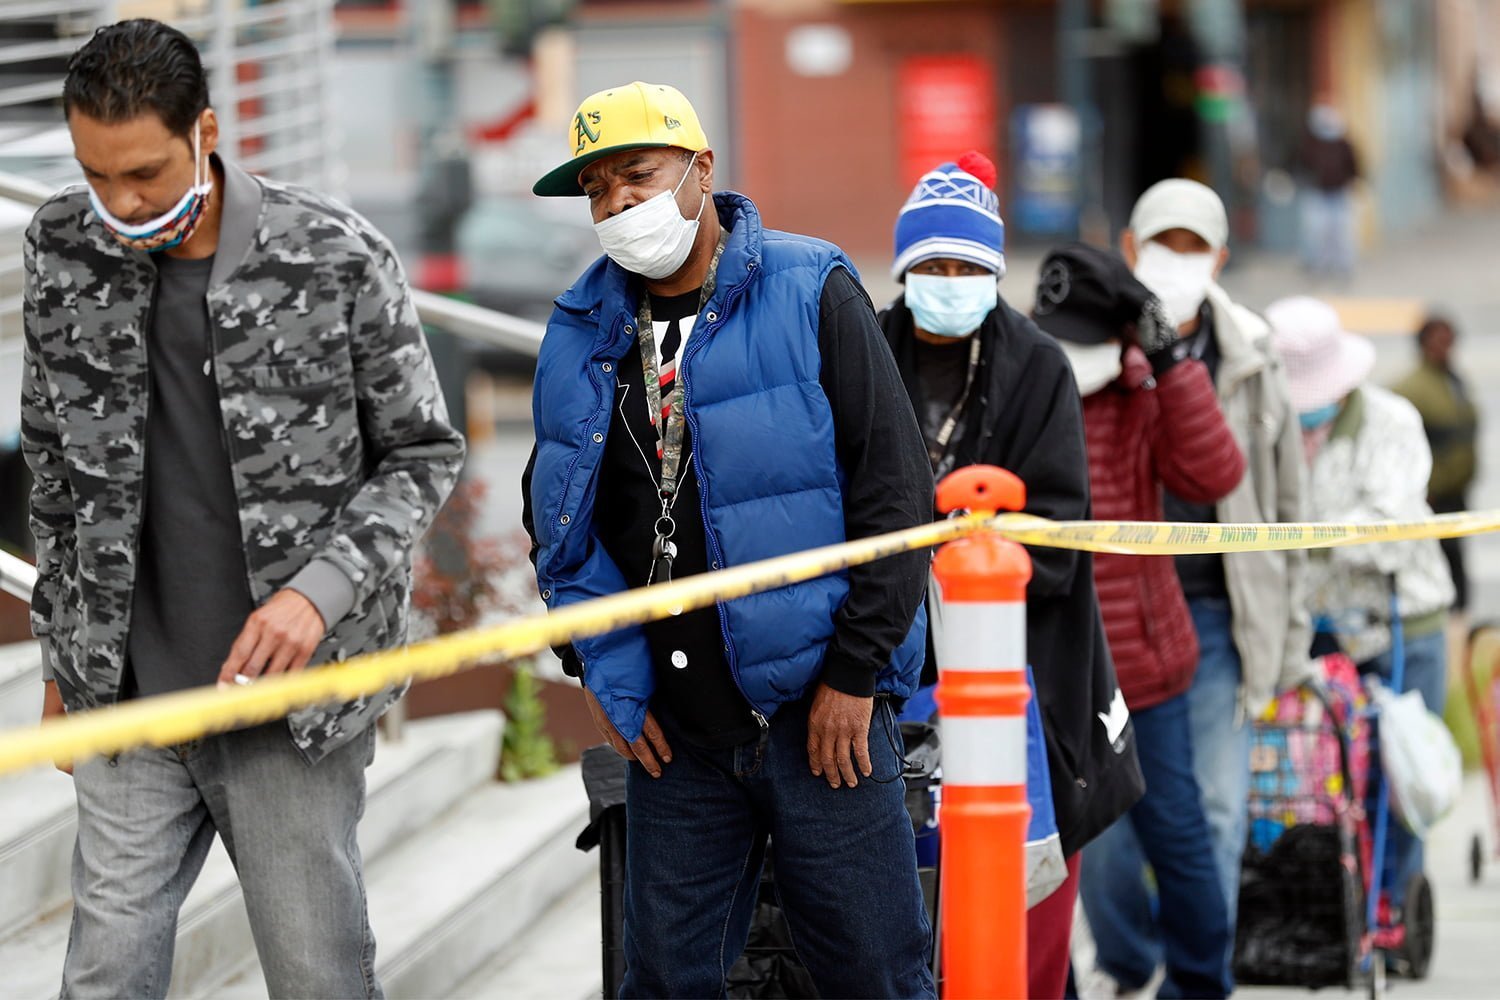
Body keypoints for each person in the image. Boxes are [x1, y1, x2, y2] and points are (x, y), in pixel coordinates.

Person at [20, 20, 465, 999]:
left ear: (206, 131)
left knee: (316, 977)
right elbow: (52, 469)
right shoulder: (59, 246)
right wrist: (63, 659)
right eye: (96, 177)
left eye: (144, 173)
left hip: (290, 709)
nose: (120, 203)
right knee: (102, 977)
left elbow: (423, 453)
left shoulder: (337, 254)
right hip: (129, 697)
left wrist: (317, 592)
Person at [521, 82, 935, 998]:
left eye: (639, 175)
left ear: (701, 170)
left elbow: (898, 497)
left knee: (875, 974)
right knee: (666, 980)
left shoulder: (810, 286)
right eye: (597, 190)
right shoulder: (580, 328)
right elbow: (555, 520)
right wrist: (598, 668)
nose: (619, 204)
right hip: (678, 738)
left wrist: (853, 676)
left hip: (823, 718)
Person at [877, 152, 1143, 1000]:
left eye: (968, 268)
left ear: (995, 274)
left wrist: (967, 549)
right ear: (905, 270)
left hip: (1028, 667)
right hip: (889, 662)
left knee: (1025, 902)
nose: (950, 284)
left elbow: (1060, 531)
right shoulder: (864, 350)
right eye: (933, 267)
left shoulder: (1037, 366)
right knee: (907, 896)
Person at [1082, 178, 1311, 987]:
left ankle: (1194, 976)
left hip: (1215, 610)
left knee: (1213, 808)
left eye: (1194, 247)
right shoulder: (1091, 342)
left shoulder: (1250, 350)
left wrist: (1290, 632)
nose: (1177, 261)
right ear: (1130, 249)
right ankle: (1126, 958)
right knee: (1106, 819)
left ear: (1219, 257)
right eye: (1162, 244)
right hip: (1113, 616)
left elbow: (1287, 503)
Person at [1032, 244, 1244, 999]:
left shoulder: (1143, 387)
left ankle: (1199, 982)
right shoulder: (1025, 376)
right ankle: (1108, 972)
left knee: (1175, 828)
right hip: (1049, 658)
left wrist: (1172, 363)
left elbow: (1215, 472)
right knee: (1067, 842)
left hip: (1144, 660)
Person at [1269, 296, 1455, 917]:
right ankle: (1333, 908)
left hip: (1400, 624)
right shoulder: (1271, 428)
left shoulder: (1391, 422)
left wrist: (1306, 539)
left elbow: (1389, 531)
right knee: (1319, 780)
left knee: (1399, 778)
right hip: (1315, 630)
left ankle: (1393, 910)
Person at [1392, 314, 1479, 611]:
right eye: (1438, 342)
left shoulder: (1452, 380)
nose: (1445, 348)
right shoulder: (1411, 388)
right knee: (1436, 566)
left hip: (1454, 492)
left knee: (1456, 566)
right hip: (1432, 496)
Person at [1300, 101, 1362, 281]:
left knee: (1342, 233)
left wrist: (1353, 183)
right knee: (1317, 232)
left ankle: (1343, 266)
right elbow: (1302, 165)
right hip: (1318, 194)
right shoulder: (1311, 144)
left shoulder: (1344, 144)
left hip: (1339, 194)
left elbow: (1354, 167)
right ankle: (1319, 266)